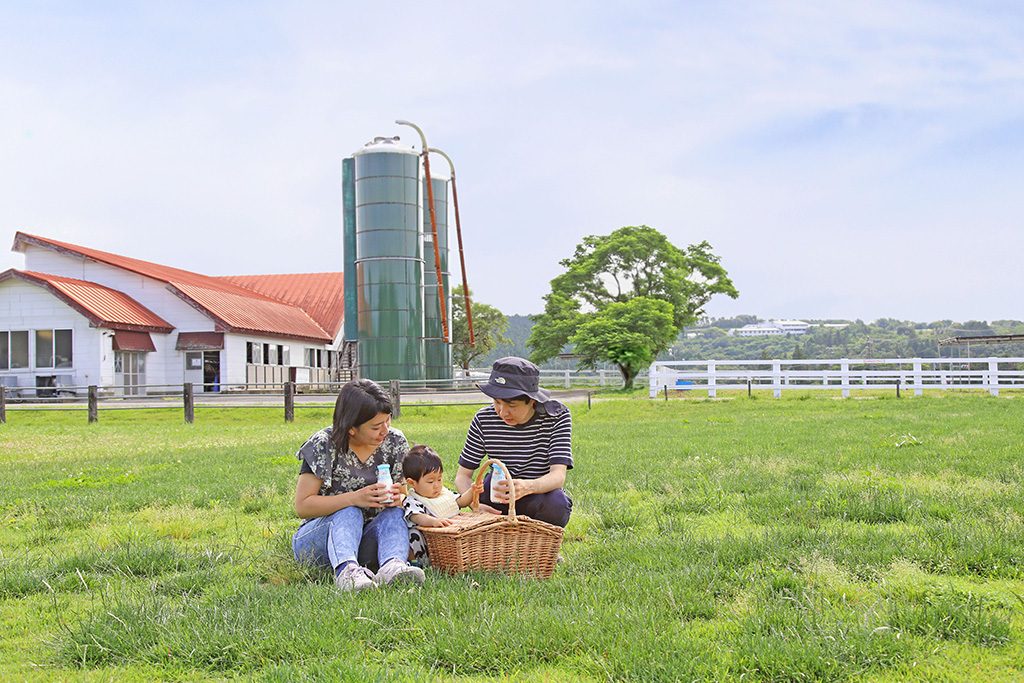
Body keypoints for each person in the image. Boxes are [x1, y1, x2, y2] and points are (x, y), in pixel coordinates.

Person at [291, 379, 425, 591]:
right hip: (320, 541)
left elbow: (402, 495)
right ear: (352, 428)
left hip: (366, 539)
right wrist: (354, 498)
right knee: (349, 511)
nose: (385, 430)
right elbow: (302, 506)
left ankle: (393, 566)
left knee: (395, 513)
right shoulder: (323, 444)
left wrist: (398, 498)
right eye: (376, 427)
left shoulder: (395, 442)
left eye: (388, 420)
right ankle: (348, 572)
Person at [454, 357, 573, 527]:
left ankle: (538, 542)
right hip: (496, 495)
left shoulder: (556, 417)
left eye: (512, 405)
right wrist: (474, 503)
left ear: (532, 400)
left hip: (538, 493)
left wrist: (527, 487)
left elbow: (558, 476)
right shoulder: (483, 418)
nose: (502, 412)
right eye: (497, 402)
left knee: (557, 505)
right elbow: (463, 476)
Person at [402, 444, 482, 565]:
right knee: (413, 534)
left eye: (439, 479)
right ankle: (417, 563)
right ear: (412, 482)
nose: (437, 485)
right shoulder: (413, 500)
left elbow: (461, 502)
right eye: (430, 481)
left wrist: (472, 490)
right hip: (428, 545)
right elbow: (417, 516)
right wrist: (433, 521)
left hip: (448, 542)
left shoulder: (444, 494)